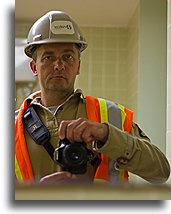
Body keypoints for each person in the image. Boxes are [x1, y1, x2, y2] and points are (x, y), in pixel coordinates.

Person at [15, 11, 170, 184]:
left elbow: (161, 172)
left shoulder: (113, 116)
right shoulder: (11, 126)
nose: (59, 65)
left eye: (67, 57)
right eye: (48, 57)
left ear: (78, 66)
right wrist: (34, 196)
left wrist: (107, 135)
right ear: (34, 67)